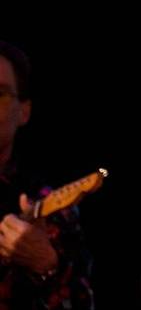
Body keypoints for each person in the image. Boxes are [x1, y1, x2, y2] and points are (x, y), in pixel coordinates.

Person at [0, 40, 93, 309]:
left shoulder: (51, 208)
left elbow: (83, 304)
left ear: (24, 111)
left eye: (0, 93)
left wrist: (46, 265)